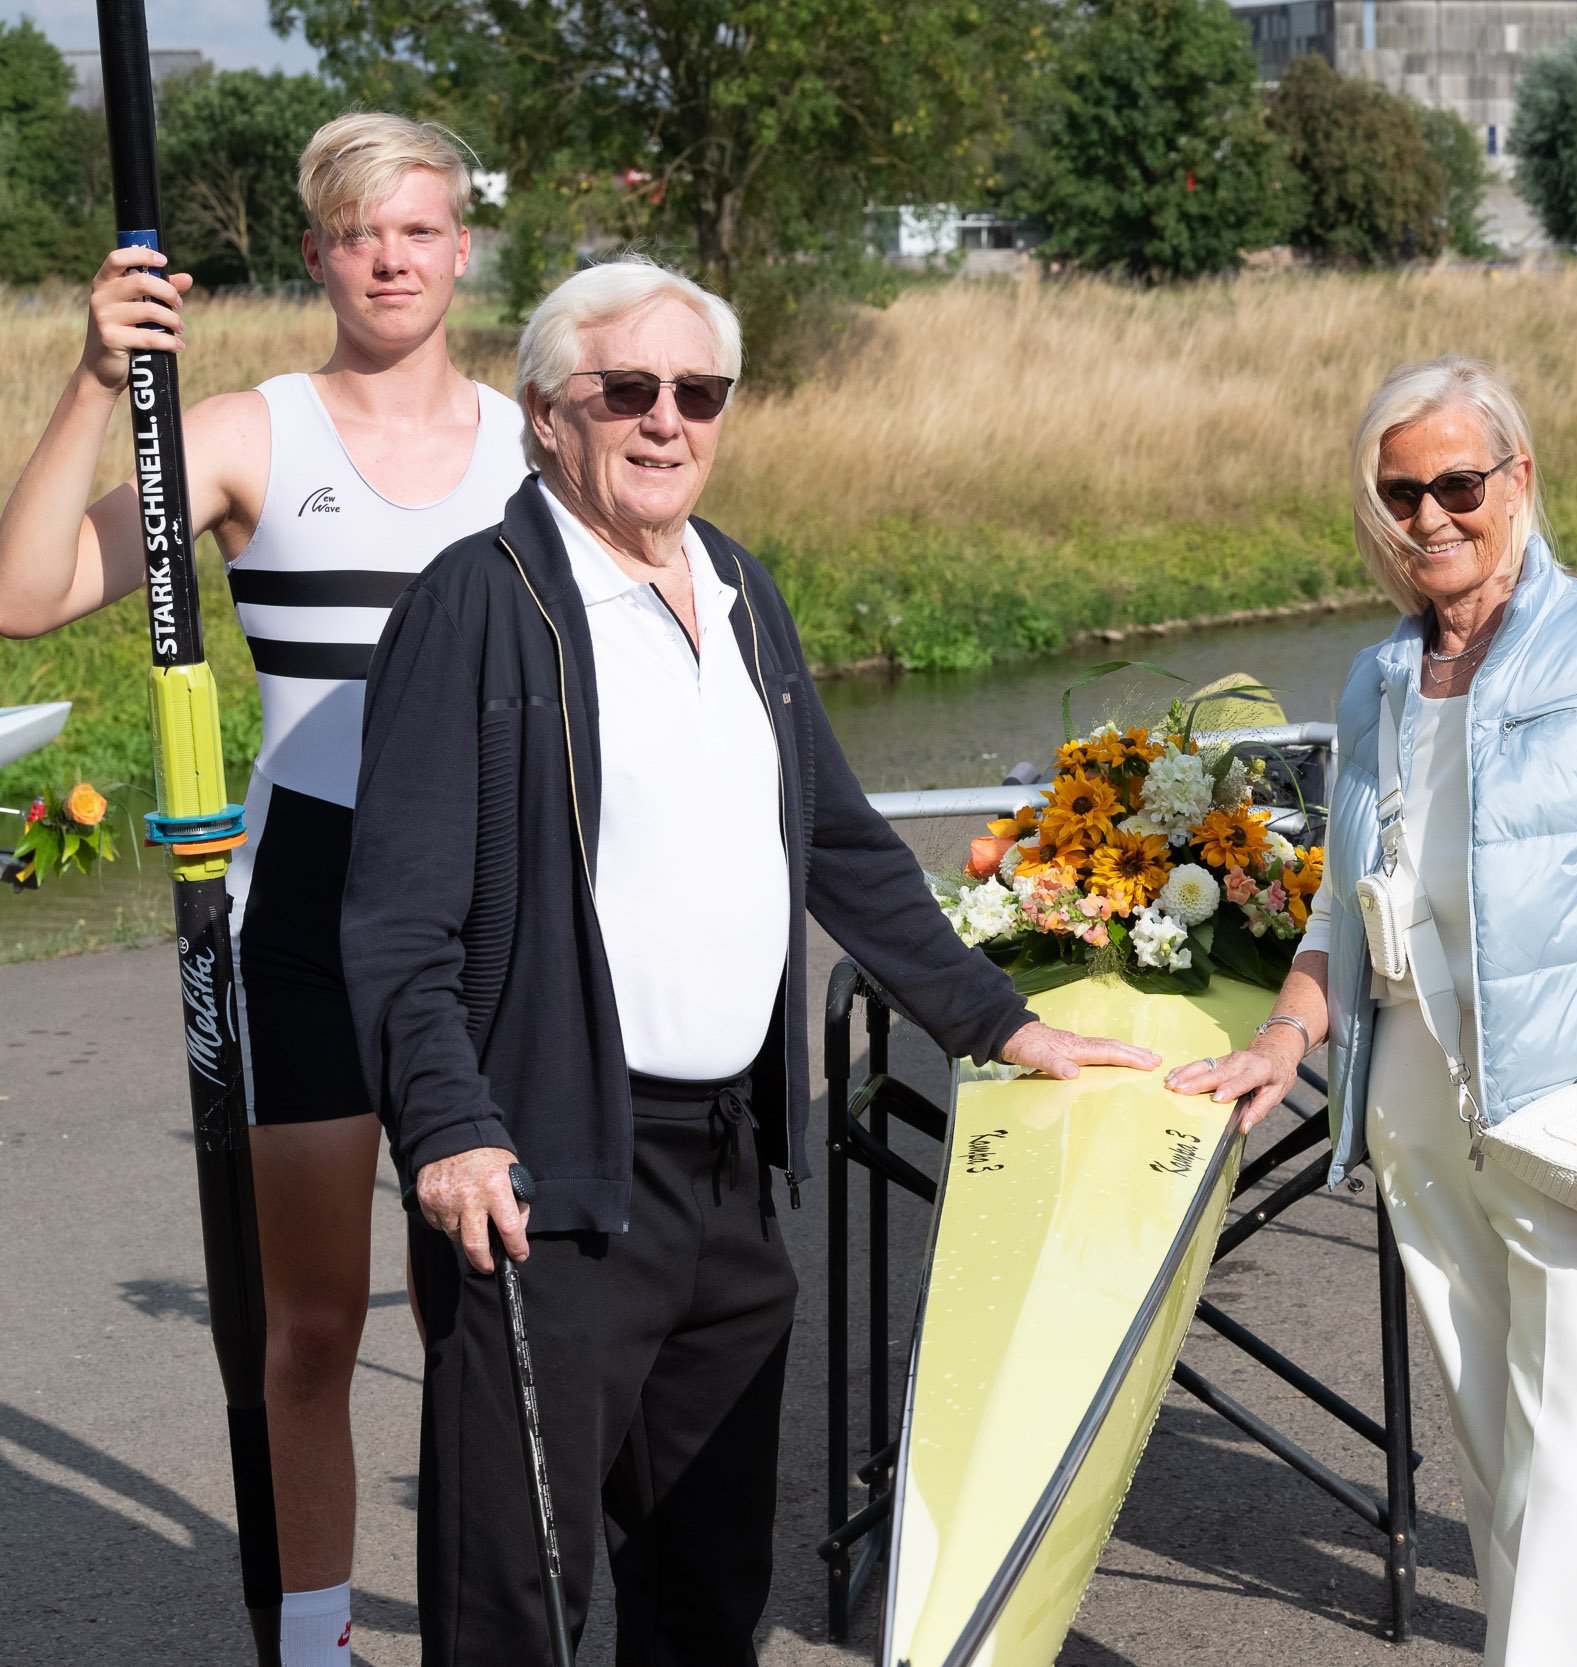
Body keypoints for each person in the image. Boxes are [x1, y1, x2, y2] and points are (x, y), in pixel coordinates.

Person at [340, 257, 1157, 1661]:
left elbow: (839, 842)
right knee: (518, 1592)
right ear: (548, 414)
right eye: (629, 391)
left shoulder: (737, 586)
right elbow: (396, 916)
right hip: (551, 1170)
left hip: (725, 1172)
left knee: (710, 1588)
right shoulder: (475, 606)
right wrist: (452, 1124)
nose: (667, 421)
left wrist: (998, 1023)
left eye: (699, 392)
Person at [0, 114, 524, 1667]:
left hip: (489, 914)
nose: (391, 256)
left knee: (476, 1318)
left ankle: (481, 1624)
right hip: (305, 903)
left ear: (461, 249)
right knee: (311, 1321)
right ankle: (310, 1641)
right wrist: (100, 377)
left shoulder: (534, 440)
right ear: (318, 252)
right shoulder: (241, 432)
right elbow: (21, 599)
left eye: (419, 229)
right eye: (361, 232)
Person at [1168, 356, 1577, 1665]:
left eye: (1458, 483)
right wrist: (1285, 1036)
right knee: (1497, 1456)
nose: (1431, 515)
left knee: (1575, 1461)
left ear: (1518, 477)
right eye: (1401, 490)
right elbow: (1336, 916)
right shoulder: (1375, 681)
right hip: (1421, 1099)